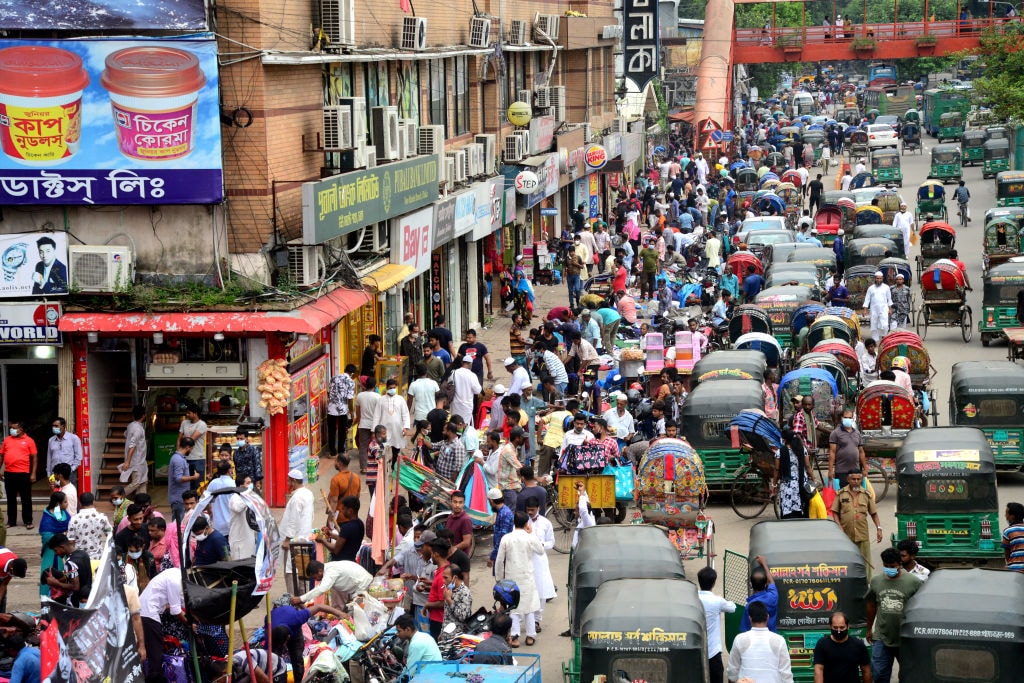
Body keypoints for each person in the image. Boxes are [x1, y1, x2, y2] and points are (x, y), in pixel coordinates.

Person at [866, 547, 922, 683]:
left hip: (906, 638)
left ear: (900, 564)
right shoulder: (876, 581)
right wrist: (869, 629)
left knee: (909, 675)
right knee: (878, 675)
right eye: (886, 566)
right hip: (882, 637)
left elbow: (920, 609)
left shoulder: (914, 582)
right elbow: (871, 605)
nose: (889, 569)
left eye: (893, 566)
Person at [495, 510, 544, 647]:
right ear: (526, 523)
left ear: (513, 522)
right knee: (528, 607)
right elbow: (540, 550)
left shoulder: (506, 538)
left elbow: (499, 561)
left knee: (513, 607)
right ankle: (530, 636)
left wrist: (499, 579)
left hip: (511, 578)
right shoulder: (529, 537)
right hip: (527, 577)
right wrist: (531, 533)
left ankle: (515, 637)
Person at [728, 600, 794, 683]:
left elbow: (732, 670)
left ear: (750, 618)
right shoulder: (779, 640)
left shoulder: (740, 639)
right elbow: (786, 673)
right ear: (767, 617)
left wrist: (735, 679)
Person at [831, 469, 883, 576]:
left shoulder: (866, 495)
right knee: (847, 561)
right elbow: (834, 512)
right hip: (845, 535)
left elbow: (874, 513)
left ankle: (866, 583)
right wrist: (839, 526)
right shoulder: (841, 494)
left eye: (858, 479)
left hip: (862, 534)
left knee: (865, 561)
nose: (856, 481)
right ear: (848, 480)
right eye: (853, 479)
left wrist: (879, 529)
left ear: (861, 480)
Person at [140, 568, 186, 683]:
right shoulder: (175, 581)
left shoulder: (176, 573)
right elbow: (176, 610)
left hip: (147, 611)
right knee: (156, 653)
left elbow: (182, 601)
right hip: (148, 613)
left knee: (153, 650)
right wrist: (189, 623)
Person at [697, 566, 737, 683]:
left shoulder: (693, 598)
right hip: (713, 652)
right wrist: (720, 598)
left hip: (697, 649)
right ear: (714, 583)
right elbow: (733, 608)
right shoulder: (717, 601)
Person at [813, 611, 871, 683]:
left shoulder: (858, 644)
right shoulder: (822, 644)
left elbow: (866, 670)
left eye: (842, 627)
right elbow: (818, 669)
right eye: (835, 627)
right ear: (830, 626)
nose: (838, 631)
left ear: (848, 626)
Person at [291, 559, 374, 607]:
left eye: (315, 577)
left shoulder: (331, 571)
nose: (316, 580)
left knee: (356, 612)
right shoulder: (328, 568)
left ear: (320, 571)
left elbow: (321, 589)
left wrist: (301, 599)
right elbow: (320, 587)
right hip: (360, 586)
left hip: (365, 585)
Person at [0, 420, 36, 528]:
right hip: (9, 473)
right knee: (11, 499)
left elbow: (34, 458)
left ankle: (28, 521)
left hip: (23, 473)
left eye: (14, 428)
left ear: (21, 429)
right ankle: (11, 521)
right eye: (11, 428)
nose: (12, 430)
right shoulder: (7, 440)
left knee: (26, 499)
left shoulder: (29, 441)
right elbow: (1, 455)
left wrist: (33, 473)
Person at [773, 426, 814, 519]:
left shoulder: (780, 452)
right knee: (803, 507)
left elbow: (776, 469)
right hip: (801, 482)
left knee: (788, 511)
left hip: (787, 485)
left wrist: (774, 485)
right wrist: (813, 479)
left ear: (784, 439)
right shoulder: (802, 449)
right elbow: (807, 466)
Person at [44, 533, 93, 607]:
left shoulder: (70, 562)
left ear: (62, 547)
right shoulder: (83, 553)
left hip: (77, 602)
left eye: (55, 550)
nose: (56, 554)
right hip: (88, 596)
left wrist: (56, 583)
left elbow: (75, 587)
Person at [372, 377, 411, 462]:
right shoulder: (381, 400)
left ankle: (393, 466)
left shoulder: (400, 399)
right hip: (384, 429)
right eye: (390, 388)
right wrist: (374, 430)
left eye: (394, 388)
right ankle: (384, 468)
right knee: (383, 448)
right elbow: (376, 415)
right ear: (387, 388)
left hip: (397, 429)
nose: (392, 389)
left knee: (396, 448)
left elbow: (405, 414)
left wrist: (406, 427)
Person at [279, 469, 314, 560]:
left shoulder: (297, 498)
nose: (288, 483)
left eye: (288, 481)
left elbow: (293, 520)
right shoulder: (308, 493)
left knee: (293, 567)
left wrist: (287, 540)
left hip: (295, 539)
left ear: (293, 481)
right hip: (305, 535)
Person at [828, 409, 869, 488]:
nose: (848, 419)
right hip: (841, 470)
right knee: (843, 495)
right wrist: (830, 470)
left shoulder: (857, 433)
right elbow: (832, 452)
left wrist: (865, 467)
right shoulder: (835, 433)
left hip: (855, 471)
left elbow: (861, 452)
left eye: (850, 418)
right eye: (845, 417)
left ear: (853, 419)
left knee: (856, 494)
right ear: (842, 418)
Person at [66, 492, 111, 561]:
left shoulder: (74, 519)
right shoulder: (102, 517)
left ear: (80, 503)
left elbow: (71, 541)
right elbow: (110, 535)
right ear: (93, 502)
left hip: (80, 558)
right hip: (97, 557)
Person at [318, 495, 364, 562]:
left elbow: (335, 550)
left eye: (343, 509)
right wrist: (331, 535)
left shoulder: (347, 527)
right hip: (351, 560)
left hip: (341, 563)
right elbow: (348, 541)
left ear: (350, 511)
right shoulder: (360, 524)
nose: (342, 511)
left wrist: (322, 540)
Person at [740, 554, 778, 632]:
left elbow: (745, 629)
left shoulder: (750, 606)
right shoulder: (773, 597)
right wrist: (764, 564)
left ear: (751, 585)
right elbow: (771, 582)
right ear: (765, 585)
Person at [326, 364, 357, 457]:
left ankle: (332, 451)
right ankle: (341, 450)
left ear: (344, 369)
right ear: (352, 374)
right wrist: (352, 412)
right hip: (342, 410)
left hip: (331, 409)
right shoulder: (350, 382)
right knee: (342, 431)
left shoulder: (333, 378)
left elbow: (328, 392)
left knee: (331, 430)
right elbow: (350, 398)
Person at [168, 438, 201, 524]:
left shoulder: (180, 458)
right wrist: (193, 477)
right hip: (178, 499)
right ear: (187, 447)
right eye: (191, 448)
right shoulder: (178, 460)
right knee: (178, 526)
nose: (191, 451)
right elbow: (178, 478)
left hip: (180, 498)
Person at [46, 417, 83, 486]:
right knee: (57, 495)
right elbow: (49, 458)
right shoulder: (51, 440)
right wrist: (49, 474)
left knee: (69, 494)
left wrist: (71, 469)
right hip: (55, 474)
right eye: (53, 426)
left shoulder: (73, 438)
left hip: (69, 474)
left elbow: (78, 457)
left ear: (63, 426)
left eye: (56, 426)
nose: (54, 428)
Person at [354, 376, 380, 473]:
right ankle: (375, 465)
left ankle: (364, 467)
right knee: (375, 445)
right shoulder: (378, 397)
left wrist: (359, 420)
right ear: (375, 385)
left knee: (363, 446)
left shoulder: (360, 396)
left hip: (363, 424)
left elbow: (358, 411)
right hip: (375, 425)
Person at [487, 487, 514, 571]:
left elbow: (502, 538)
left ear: (491, 501)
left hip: (504, 553)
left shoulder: (504, 514)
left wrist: (492, 557)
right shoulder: (502, 511)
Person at [178, 404, 208, 482]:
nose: (187, 415)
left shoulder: (202, 424)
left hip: (198, 458)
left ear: (195, 413)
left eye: (189, 413)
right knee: (187, 484)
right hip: (185, 458)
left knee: (198, 485)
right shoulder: (184, 423)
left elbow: (191, 440)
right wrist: (178, 454)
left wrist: (185, 437)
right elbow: (179, 439)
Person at [451, 355, 483, 426]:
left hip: (455, 403)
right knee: (464, 425)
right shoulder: (472, 375)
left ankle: (455, 437)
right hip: (466, 405)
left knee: (454, 424)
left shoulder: (454, 373)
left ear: (462, 363)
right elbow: (477, 390)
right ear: (470, 364)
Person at [327, 453, 360, 519]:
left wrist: (330, 519)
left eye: (335, 461)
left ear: (340, 463)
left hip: (340, 517)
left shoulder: (335, 480)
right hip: (352, 516)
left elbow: (334, 501)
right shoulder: (356, 477)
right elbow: (357, 497)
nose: (334, 463)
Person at [1002, 501, 1024, 572]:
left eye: (1006, 513)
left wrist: (1009, 564)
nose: (1005, 516)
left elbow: (1007, 552)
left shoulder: (1008, 531)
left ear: (1012, 516)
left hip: (1014, 569)